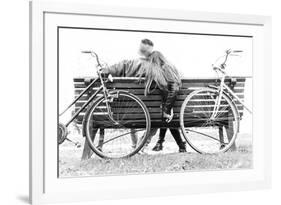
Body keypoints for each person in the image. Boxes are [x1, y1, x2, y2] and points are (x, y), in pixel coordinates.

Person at [104, 39, 186, 152]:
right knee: (157, 117)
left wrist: (106, 72)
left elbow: (107, 70)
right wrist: (167, 109)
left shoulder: (129, 64)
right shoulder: (159, 70)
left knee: (133, 110)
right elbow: (169, 87)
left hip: (126, 111)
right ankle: (142, 145)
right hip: (152, 113)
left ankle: (135, 146)